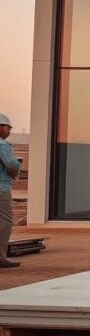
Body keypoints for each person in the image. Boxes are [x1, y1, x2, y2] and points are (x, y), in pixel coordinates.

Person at [0, 114, 21, 268]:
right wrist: (15, 174)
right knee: (5, 221)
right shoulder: (3, 145)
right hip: (1, 189)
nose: (9, 131)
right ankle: (0, 256)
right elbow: (12, 165)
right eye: (8, 128)